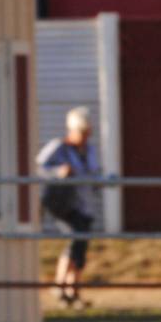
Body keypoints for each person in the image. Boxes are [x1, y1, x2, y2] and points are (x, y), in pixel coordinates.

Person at [36, 106, 100, 309]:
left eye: (87, 132)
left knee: (80, 246)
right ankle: (60, 284)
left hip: (85, 205)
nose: (84, 137)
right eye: (82, 132)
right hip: (63, 204)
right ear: (72, 130)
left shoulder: (89, 150)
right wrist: (58, 171)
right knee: (74, 238)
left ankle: (73, 289)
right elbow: (37, 167)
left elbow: (93, 173)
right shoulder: (58, 148)